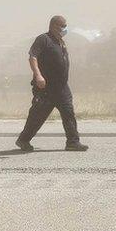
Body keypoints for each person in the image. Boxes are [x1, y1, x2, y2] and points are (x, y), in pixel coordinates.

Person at [15, 15, 88, 151]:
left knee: (69, 113)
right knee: (38, 116)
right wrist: (38, 75)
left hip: (62, 88)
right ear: (54, 26)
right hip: (46, 88)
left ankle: (72, 142)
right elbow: (32, 57)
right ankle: (23, 140)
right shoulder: (44, 39)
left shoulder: (60, 41)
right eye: (63, 26)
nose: (65, 29)